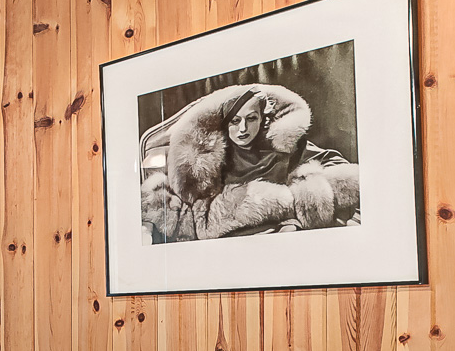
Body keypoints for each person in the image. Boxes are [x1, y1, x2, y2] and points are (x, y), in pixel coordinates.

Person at [140, 82, 358, 242]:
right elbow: (169, 201)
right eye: (235, 121)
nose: (242, 129)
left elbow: (338, 168)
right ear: (225, 125)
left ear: (263, 119)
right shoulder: (210, 162)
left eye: (251, 119)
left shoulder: (283, 149)